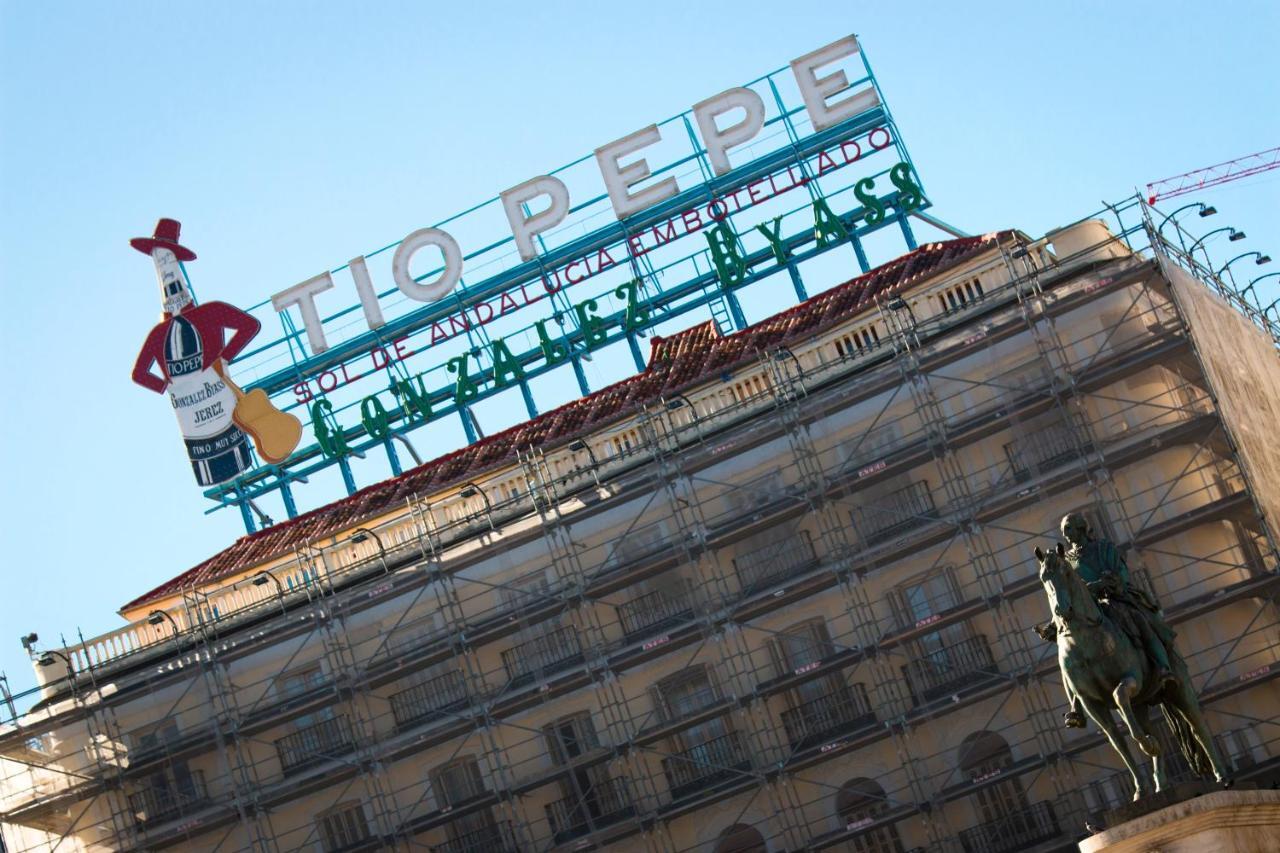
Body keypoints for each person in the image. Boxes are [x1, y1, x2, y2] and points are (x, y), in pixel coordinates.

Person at [1039, 512, 1178, 728]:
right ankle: (1076, 705)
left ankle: (1163, 668)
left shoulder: (1104, 549)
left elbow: (1120, 575)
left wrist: (1101, 585)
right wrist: (1053, 623)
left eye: (1069, 529)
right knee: (1067, 651)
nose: (1066, 535)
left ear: (1082, 529)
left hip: (1115, 599)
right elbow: (1062, 594)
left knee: (1139, 621)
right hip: (1088, 612)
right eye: (1064, 531)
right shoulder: (1065, 561)